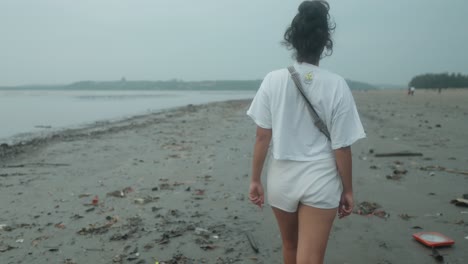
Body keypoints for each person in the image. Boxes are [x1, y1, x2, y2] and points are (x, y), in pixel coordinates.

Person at [246, 1, 366, 263]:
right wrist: (348, 189)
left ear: (293, 40)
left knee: (290, 248)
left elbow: (262, 137)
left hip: (281, 179)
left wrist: (255, 179)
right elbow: (342, 146)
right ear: (325, 42)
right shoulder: (337, 85)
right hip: (321, 180)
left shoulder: (272, 80)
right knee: (310, 257)